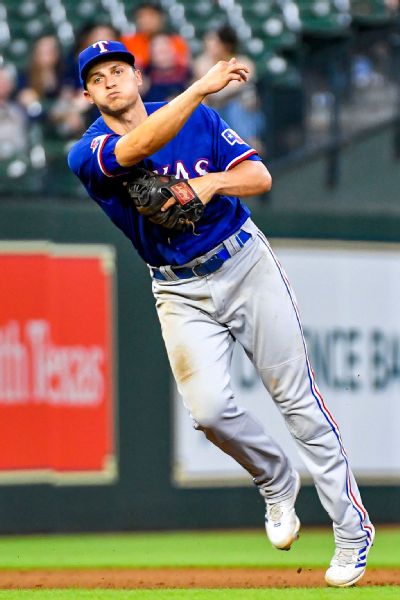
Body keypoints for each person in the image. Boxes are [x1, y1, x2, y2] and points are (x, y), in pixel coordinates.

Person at [68, 40, 374, 588]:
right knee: (208, 412)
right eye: (98, 77)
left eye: (119, 70)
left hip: (243, 261)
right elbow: (136, 147)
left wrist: (211, 182)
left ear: (137, 78)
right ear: (87, 94)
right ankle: (275, 478)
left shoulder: (199, 118)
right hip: (177, 288)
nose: (111, 81)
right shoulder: (86, 152)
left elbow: (260, 179)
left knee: (297, 400)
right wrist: (198, 87)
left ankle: (352, 531)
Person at [193, 25, 265, 155]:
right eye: (208, 40)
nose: (209, 44)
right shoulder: (201, 63)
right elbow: (204, 96)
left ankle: (251, 151)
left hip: (246, 115)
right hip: (216, 112)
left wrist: (211, 86)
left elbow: (222, 92)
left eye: (214, 41)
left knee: (236, 108)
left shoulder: (243, 62)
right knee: (203, 111)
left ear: (226, 45)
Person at [121, 1, 190, 71]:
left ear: (161, 18)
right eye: (141, 16)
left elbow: (184, 68)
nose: (146, 20)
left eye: (151, 15)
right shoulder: (128, 42)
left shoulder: (176, 42)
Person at [141, 33, 192, 102]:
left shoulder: (185, 71)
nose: (163, 56)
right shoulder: (146, 73)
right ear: (151, 54)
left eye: (165, 50)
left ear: (172, 50)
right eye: (159, 52)